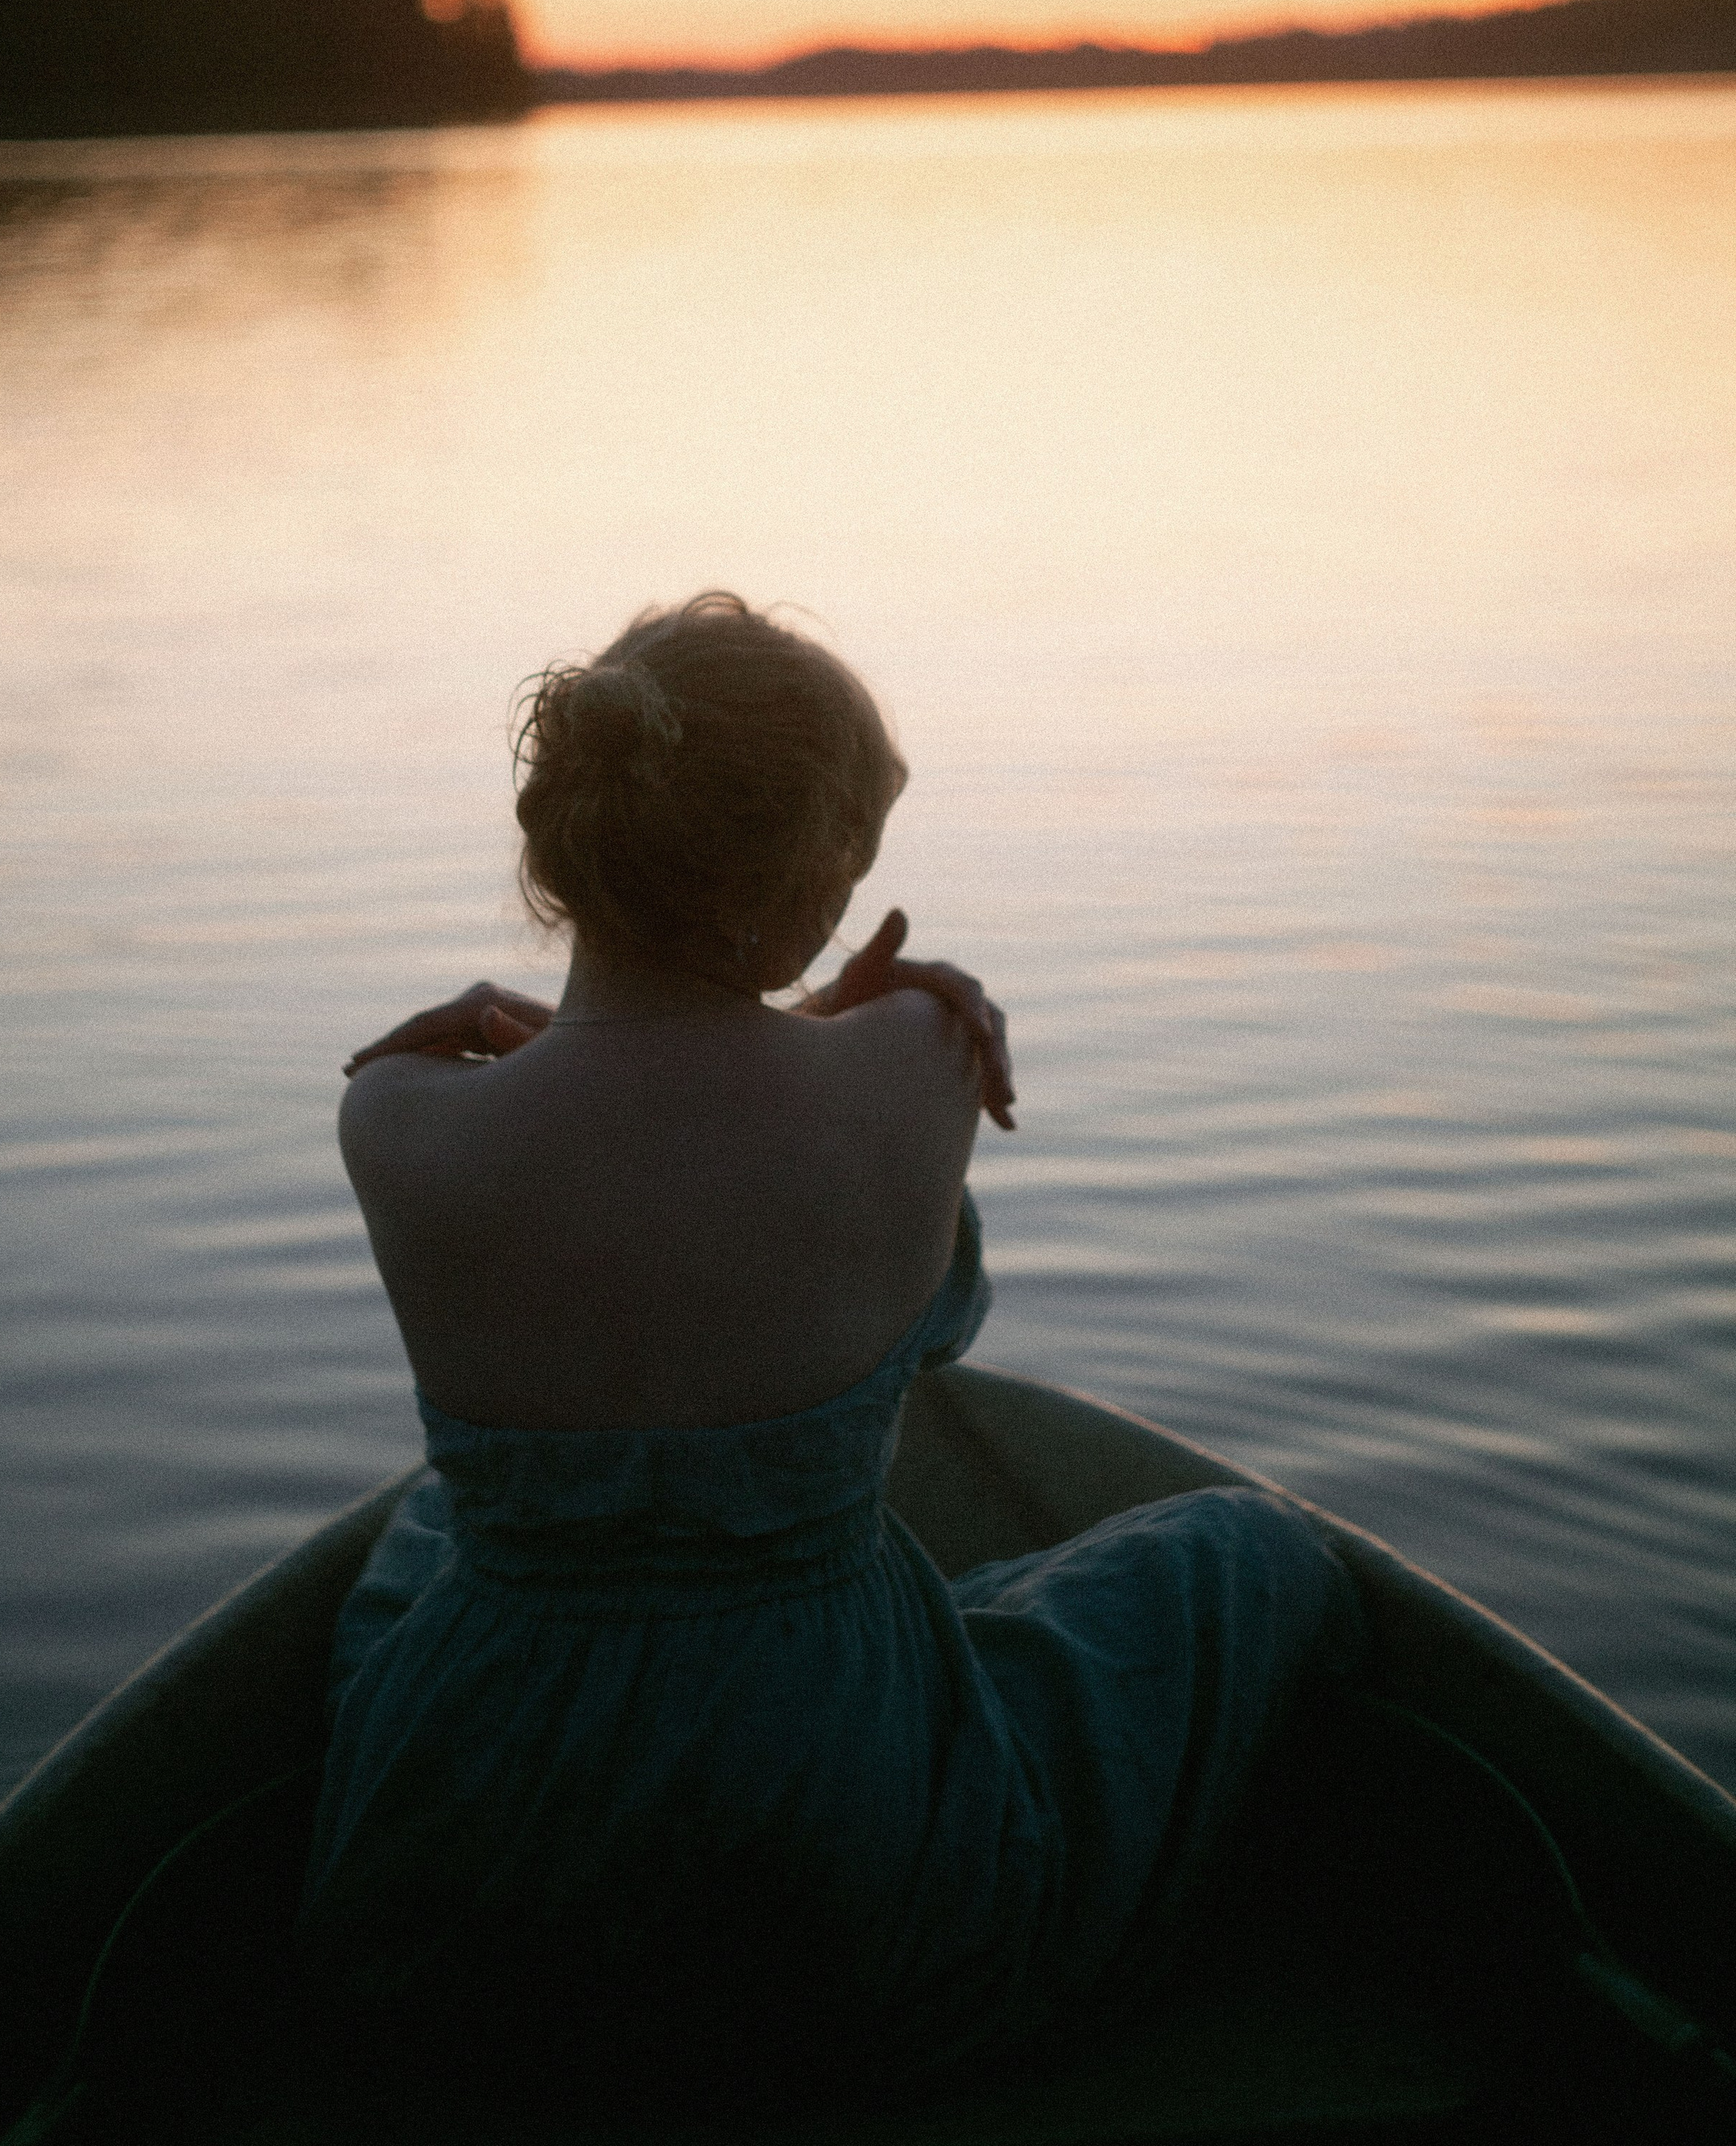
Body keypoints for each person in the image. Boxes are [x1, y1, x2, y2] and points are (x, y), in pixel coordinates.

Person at [300, 593, 1364, 2100]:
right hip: (828, 1816)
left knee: (429, 1524)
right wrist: (836, 1026)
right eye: (852, 859)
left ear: (567, 846)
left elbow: (628, 1148)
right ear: (796, 885)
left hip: (477, 1815)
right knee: (1259, 1556)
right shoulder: (917, 1067)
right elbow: (926, 1330)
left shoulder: (393, 1114)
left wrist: (552, 1049)